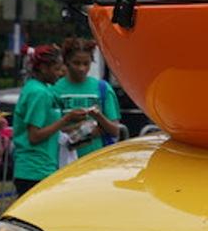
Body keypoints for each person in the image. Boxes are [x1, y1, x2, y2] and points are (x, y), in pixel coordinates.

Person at [49, 37, 123, 166]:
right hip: (63, 162)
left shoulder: (103, 88)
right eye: (76, 63)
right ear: (66, 62)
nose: (81, 68)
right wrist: (80, 127)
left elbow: (115, 130)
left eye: (86, 63)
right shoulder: (54, 90)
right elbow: (49, 131)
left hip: (97, 162)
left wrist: (99, 117)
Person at [9, 45, 67, 200]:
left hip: (41, 167)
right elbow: (34, 136)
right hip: (35, 170)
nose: (60, 73)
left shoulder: (40, 88)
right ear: (43, 68)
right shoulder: (39, 93)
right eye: (56, 69)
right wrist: (65, 121)